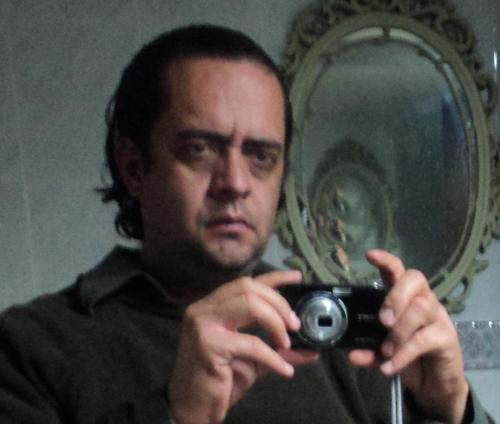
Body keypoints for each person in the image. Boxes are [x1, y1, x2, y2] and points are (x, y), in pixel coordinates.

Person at [0, 24, 493, 424]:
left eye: (261, 156)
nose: (235, 183)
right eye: (200, 149)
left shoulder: (336, 337)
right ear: (134, 167)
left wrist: (455, 409)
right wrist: (173, 414)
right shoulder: (29, 347)